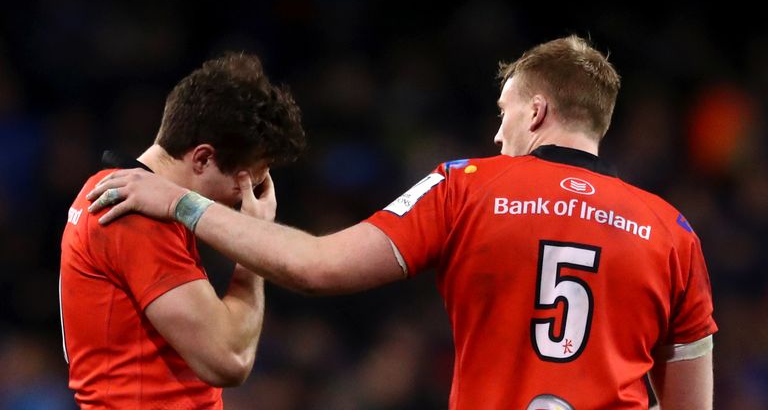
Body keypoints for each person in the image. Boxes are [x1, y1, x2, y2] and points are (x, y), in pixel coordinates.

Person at [87, 36, 717, 409]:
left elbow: (317, 266)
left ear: (537, 112)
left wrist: (180, 204)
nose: (496, 132)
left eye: (504, 112)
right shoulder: (674, 233)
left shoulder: (467, 186)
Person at [60, 53, 306, 408]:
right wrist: (254, 240)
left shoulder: (118, 193)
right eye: (245, 184)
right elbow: (229, 361)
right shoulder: (133, 215)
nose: (243, 201)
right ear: (203, 159)